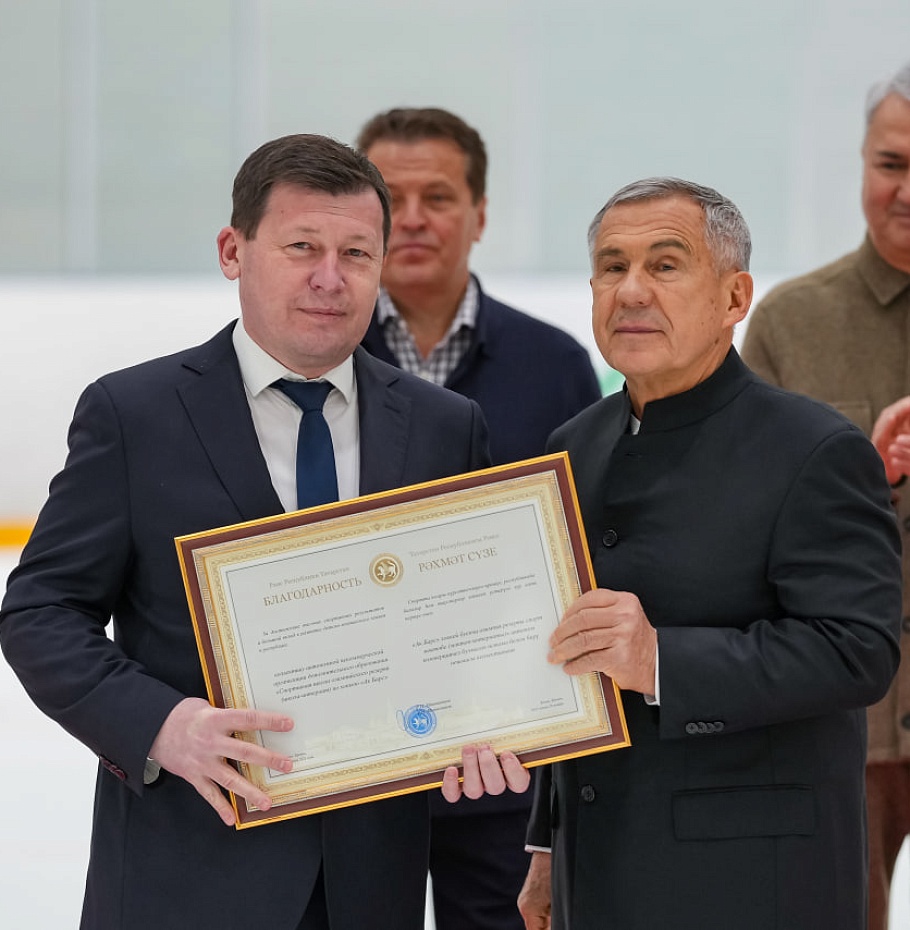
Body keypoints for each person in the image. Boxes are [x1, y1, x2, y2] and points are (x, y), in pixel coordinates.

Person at [0, 133, 525, 930]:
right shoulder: (133, 415)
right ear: (233, 251)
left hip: (369, 890)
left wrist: (491, 721)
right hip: (183, 880)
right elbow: (41, 612)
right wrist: (162, 727)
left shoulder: (445, 426)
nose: (329, 278)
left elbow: (474, 629)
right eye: (302, 247)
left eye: (356, 253)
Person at [517, 177, 902, 930]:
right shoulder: (572, 444)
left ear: (735, 297)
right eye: (612, 266)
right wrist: (546, 844)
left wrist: (661, 660)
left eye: (665, 265)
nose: (631, 290)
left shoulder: (814, 447)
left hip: (752, 878)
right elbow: (570, 656)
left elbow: (859, 650)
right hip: (597, 865)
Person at [355, 107, 601, 930]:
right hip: (354, 753)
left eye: (439, 196)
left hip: (507, 755)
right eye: (391, 199)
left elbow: (585, 547)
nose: (413, 218)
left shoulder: (554, 364)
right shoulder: (315, 359)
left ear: (480, 214)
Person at [741, 61, 910, 929]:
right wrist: (857, 482)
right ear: (862, 163)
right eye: (891, 164)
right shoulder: (789, 321)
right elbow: (737, 515)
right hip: (841, 717)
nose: (907, 191)